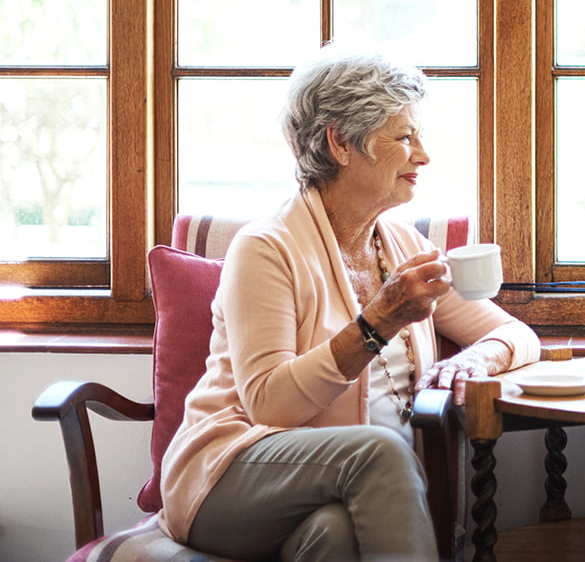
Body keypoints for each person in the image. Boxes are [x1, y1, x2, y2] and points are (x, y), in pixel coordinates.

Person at [158, 48, 540, 561]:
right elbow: (271, 404)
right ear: (340, 142)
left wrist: (476, 358)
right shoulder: (266, 248)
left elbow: (518, 336)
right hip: (230, 474)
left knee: (336, 537)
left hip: (340, 492)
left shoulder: (401, 246)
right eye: (404, 137)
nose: (422, 155)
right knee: (380, 451)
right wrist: (379, 320)